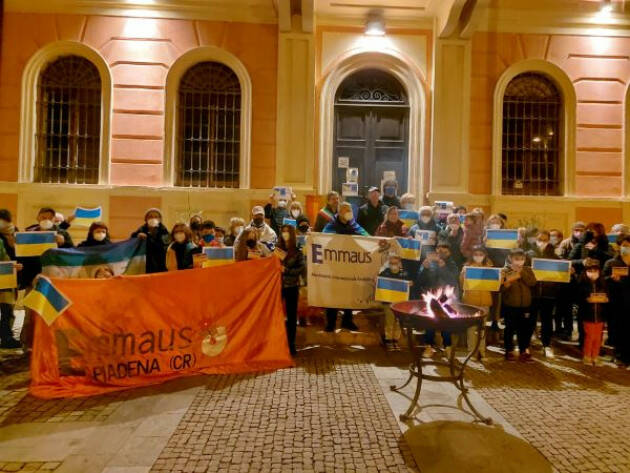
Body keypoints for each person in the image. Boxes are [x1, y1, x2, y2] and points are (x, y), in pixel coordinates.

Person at [322, 202, 367, 331]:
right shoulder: (331, 225)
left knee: (349, 294)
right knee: (334, 295)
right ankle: (331, 323)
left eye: (350, 210)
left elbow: (366, 237)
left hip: (350, 265)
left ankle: (347, 320)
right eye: (346, 210)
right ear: (340, 212)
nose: (348, 213)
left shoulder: (353, 225)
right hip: (335, 265)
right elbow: (323, 238)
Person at [417, 242, 459, 358]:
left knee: (446, 324)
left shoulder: (452, 265)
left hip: (446, 300)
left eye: (445, 252)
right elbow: (420, 281)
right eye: (440, 251)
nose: (442, 254)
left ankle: (447, 347)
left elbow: (452, 280)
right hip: (430, 298)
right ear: (436, 251)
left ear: (449, 253)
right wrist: (424, 269)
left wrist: (443, 267)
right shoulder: (428, 262)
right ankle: (429, 346)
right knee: (429, 323)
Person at [501, 248, 537, 362]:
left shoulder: (527, 270)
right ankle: (509, 350)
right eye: (516, 259)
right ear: (510, 259)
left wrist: (521, 272)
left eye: (522, 259)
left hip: (525, 305)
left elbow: (532, 282)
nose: (519, 261)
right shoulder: (505, 270)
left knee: (524, 329)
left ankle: (523, 350)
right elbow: (500, 288)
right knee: (510, 329)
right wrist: (507, 283)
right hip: (510, 305)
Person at [529, 230, 560, 358]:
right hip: (533, 293)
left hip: (548, 294)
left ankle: (547, 345)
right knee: (530, 319)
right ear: (535, 239)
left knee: (547, 320)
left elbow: (559, 275)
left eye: (545, 240)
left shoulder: (554, 257)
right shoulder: (529, 255)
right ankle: (526, 344)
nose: (542, 242)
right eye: (540, 239)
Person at [460, 246, 494, 362]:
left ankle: (482, 352)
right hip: (470, 302)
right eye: (476, 254)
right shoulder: (466, 268)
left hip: (484, 301)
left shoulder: (490, 268)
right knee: (472, 329)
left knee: (482, 329)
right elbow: (462, 284)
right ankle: (472, 353)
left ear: (485, 255)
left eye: (481, 254)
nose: (478, 256)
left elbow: (494, 285)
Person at [276, 224, 305, 356]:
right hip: (278, 287)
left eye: (287, 232)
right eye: (283, 231)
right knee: (277, 316)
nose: (285, 234)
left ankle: (291, 344)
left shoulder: (297, 250)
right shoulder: (278, 249)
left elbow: (301, 268)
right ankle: (278, 344)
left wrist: (286, 270)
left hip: (292, 286)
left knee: (292, 317)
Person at [603, 234, 630, 367]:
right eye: (624, 246)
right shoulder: (611, 262)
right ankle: (619, 356)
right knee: (618, 330)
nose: (627, 248)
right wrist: (612, 279)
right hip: (616, 303)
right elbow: (603, 280)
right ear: (619, 247)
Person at [577, 258, 608, 366]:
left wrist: (606, 300)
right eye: (589, 271)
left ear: (599, 272)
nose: (592, 273)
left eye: (595, 271)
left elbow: (607, 297)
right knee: (589, 336)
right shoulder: (582, 284)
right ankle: (587, 355)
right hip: (587, 315)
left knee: (598, 337)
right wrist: (586, 300)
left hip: (600, 316)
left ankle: (595, 356)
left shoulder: (603, 284)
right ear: (585, 272)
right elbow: (578, 298)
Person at [378, 253, 408, 351]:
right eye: (391, 263)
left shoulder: (404, 274)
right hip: (388, 303)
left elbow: (408, 286)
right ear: (389, 263)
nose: (393, 264)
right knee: (389, 323)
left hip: (400, 304)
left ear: (399, 262)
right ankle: (388, 341)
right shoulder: (384, 273)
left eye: (395, 262)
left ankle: (395, 341)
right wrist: (377, 281)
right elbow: (379, 284)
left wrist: (410, 284)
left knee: (398, 323)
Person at [131, 208, 170, 273]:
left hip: (160, 266)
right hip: (144, 266)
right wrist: (137, 237)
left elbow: (165, 248)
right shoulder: (140, 230)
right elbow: (131, 242)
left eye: (156, 216)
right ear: (146, 219)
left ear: (160, 219)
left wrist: (149, 238)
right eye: (150, 216)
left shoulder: (164, 232)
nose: (153, 218)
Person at [0, 237, 22, 348]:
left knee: (7, 310)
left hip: (3, 282)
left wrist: (13, 267)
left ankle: (7, 338)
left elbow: (5, 260)